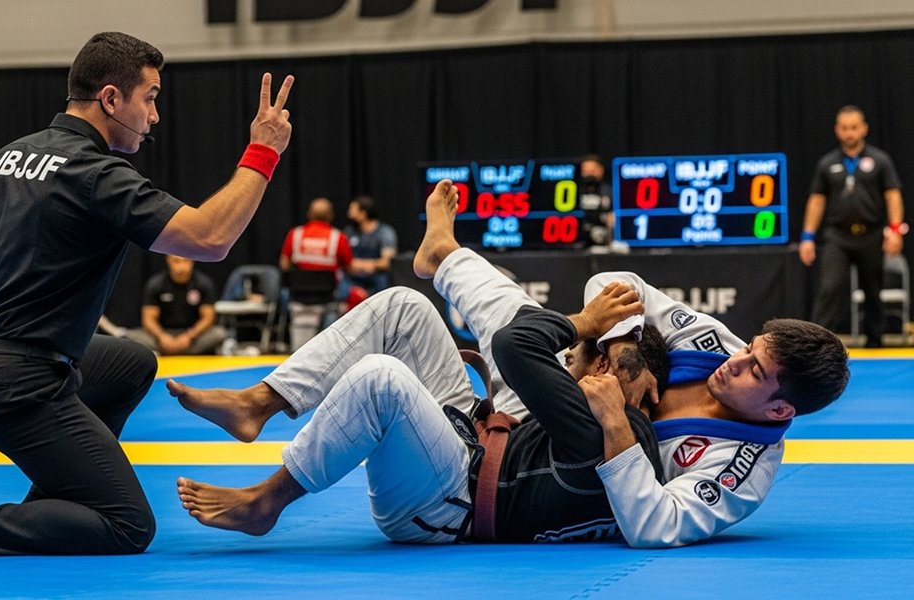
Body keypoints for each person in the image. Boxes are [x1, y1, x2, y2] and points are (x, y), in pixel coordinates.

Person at [171, 179, 850, 548]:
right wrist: (617, 348)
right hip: (521, 427)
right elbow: (618, 287)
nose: (735, 361)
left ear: (780, 409)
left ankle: (268, 501)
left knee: (395, 377)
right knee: (407, 306)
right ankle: (262, 402)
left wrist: (614, 421)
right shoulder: (715, 348)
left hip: (517, 477)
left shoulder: (738, 471)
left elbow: (657, 526)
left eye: (755, 371)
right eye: (750, 348)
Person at [0, 31, 293, 557]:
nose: (155, 116)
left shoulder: (1, 160)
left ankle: (61, 494)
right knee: (128, 525)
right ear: (111, 98)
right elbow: (209, 237)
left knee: (133, 362)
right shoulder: (97, 175)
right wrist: (263, 152)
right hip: (17, 387)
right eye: (150, 98)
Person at [799, 105, 907, 348]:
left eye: (854, 128)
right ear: (837, 130)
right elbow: (817, 200)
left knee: (873, 291)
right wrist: (807, 237)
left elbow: (893, 195)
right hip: (838, 236)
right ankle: (817, 345)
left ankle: (875, 343)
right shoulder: (827, 163)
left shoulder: (880, 160)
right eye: (845, 128)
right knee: (830, 288)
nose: (850, 133)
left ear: (864, 129)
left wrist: (895, 230)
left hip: (871, 234)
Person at [279, 197, 353, 351]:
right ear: (330, 216)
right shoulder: (338, 237)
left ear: (309, 214)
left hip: (298, 297)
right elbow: (349, 268)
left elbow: (284, 265)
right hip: (327, 297)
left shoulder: (295, 234)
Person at [126, 255, 227, 355]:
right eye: (176, 261)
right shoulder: (156, 283)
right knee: (132, 336)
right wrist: (163, 337)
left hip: (193, 336)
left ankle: (170, 351)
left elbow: (208, 318)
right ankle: (180, 350)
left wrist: (189, 336)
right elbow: (148, 319)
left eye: (185, 261)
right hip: (163, 334)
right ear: (168, 260)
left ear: (192, 261)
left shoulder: (203, 283)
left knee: (219, 333)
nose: (181, 266)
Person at [342, 195, 398, 295]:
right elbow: (342, 259)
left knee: (382, 281)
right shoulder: (348, 232)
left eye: (352, 210)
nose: (349, 214)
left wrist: (365, 265)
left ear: (363, 213)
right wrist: (358, 266)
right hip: (353, 278)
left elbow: (386, 262)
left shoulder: (385, 232)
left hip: (376, 277)